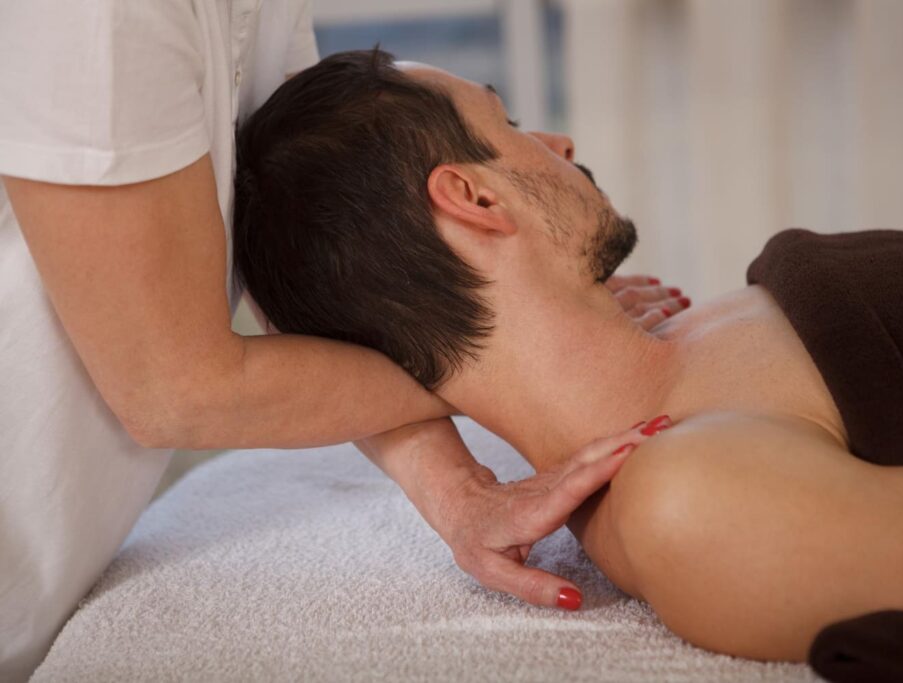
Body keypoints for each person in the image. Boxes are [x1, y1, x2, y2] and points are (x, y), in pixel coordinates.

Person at [233, 49, 903, 679]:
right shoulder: (687, 497)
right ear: (475, 198)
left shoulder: (689, 340)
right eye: (508, 124)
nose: (560, 146)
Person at [0, 6, 685, 680]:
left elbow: (303, 242)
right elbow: (176, 389)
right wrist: (523, 352)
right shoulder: (97, 17)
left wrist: (460, 493)